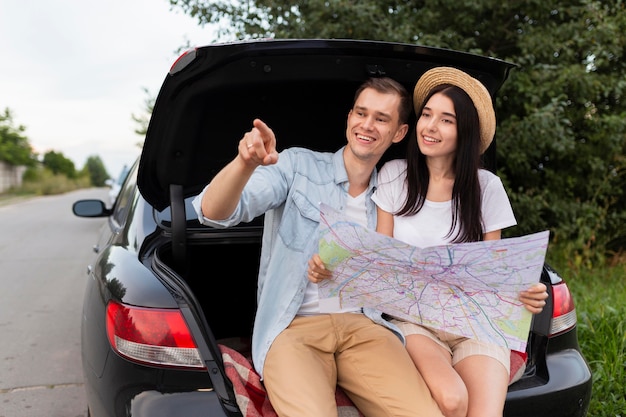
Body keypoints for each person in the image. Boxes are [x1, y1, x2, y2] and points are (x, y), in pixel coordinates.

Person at [192, 77, 445, 417]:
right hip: (294, 327)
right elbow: (214, 213)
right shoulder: (298, 166)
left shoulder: (395, 193)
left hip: (365, 327)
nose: (367, 125)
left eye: (381, 119)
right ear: (349, 118)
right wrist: (245, 163)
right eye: (361, 113)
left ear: (399, 132)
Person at [307, 67, 548, 417]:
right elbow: (379, 257)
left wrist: (525, 293)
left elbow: (495, 273)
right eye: (427, 115)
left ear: (464, 132)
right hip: (413, 322)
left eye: (446, 120)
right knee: (451, 400)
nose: (430, 126)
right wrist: (335, 266)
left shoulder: (487, 187)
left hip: (474, 324)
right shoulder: (394, 176)